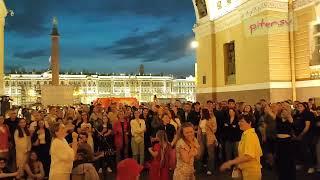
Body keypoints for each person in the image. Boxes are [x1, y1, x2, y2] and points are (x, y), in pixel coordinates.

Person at [220, 114, 263, 180]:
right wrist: (238, 165)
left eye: (242, 121)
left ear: (250, 123)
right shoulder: (245, 134)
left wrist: (230, 162)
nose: (239, 123)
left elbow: (248, 156)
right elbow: (243, 154)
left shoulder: (250, 136)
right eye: (239, 121)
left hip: (251, 173)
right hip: (246, 171)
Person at [197, 108, 217, 175]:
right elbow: (199, 130)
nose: (200, 113)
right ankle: (199, 168)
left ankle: (210, 169)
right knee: (200, 153)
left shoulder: (211, 119)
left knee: (210, 154)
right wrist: (198, 139)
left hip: (209, 137)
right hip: (202, 136)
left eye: (201, 112)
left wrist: (209, 125)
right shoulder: (201, 120)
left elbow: (214, 129)